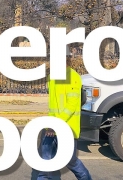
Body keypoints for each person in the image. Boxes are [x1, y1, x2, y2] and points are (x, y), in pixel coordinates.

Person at [35, 46, 92, 180]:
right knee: (45, 164)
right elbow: (53, 105)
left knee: (71, 162)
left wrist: (56, 125)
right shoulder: (51, 77)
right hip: (51, 128)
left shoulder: (73, 77)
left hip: (67, 128)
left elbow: (72, 105)